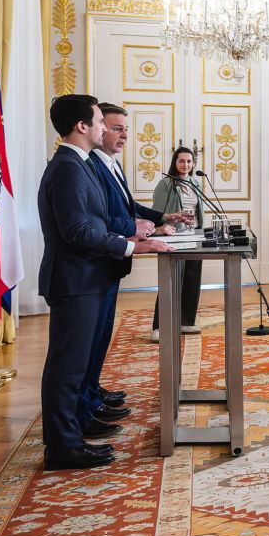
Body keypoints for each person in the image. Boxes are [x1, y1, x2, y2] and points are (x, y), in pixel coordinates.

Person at [37, 96, 167, 471]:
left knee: (75, 364)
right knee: (67, 366)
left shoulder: (79, 165)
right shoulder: (67, 168)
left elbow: (96, 220)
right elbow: (78, 230)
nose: (103, 128)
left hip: (86, 277)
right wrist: (129, 247)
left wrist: (130, 242)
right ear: (82, 126)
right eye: (98, 121)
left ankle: (71, 433)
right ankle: (63, 447)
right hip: (76, 280)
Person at [89, 105, 178, 428]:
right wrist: (133, 226)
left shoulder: (111, 165)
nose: (123, 134)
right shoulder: (90, 166)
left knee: (100, 336)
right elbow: (100, 218)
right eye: (114, 127)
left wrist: (160, 217)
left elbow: (128, 205)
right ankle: (87, 401)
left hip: (111, 260)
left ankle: (92, 392)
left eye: (125, 129)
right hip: (98, 260)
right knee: (91, 338)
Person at [150, 146, 204, 339]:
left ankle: (185, 322)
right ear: (175, 162)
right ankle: (159, 327)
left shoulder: (196, 182)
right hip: (174, 236)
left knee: (192, 278)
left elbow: (199, 211)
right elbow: (157, 213)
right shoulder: (166, 184)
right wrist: (164, 227)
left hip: (195, 235)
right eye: (181, 161)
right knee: (171, 280)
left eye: (189, 161)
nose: (186, 165)